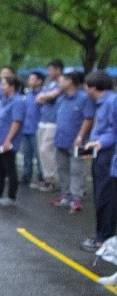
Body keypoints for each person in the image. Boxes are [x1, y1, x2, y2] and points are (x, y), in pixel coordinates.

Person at [78, 70, 117, 252]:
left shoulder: (111, 102)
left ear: (93, 86)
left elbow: (113, 131)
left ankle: (104, 237)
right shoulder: (102, 103)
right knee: (100, 195)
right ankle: (101, 235)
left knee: (105, 197)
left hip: (108, 155)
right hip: (101, 153)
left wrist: (99, 143)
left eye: (86, 85)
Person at [52, 71, 91, 211]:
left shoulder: (84, 98)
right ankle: (65, 195)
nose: (59, 83)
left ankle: (76, 198)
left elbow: (89, 119)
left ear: (70, 81)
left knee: (77, 170)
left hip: (79, 142)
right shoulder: (61, 98)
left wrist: (80, 137)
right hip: (61, 139)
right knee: (62, 169)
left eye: (62, 80)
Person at [0, 72, 24, 205]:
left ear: (12, 86)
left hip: (7, 140)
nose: (1, 87)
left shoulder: (18, 101)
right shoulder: (3, 100)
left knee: (9, 168)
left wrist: (8, 140)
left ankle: (11, 197)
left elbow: (16, 122)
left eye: (4, 84)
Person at [35, 59, 64, 191]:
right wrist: (45, 96)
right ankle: (46, 179)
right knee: (42, 152)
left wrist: (45, 96)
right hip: (43, 121)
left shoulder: (61, 83)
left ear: (58, 69)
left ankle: (50, 180)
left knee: (46, 151)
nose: (48, 72)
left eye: (50, 70)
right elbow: (39, 98)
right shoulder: (49, 83)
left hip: (53, 122)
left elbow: (51, 96)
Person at [20, 71, 44, 186]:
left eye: (33, 79)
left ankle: (42, 178)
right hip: (26, 129)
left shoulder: (43, 95)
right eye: (29, 79)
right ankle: (26, 177)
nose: (30, 81)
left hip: (37, 130)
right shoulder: (28, 94)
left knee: (40, 157)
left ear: (39, 81)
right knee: (27, 156)